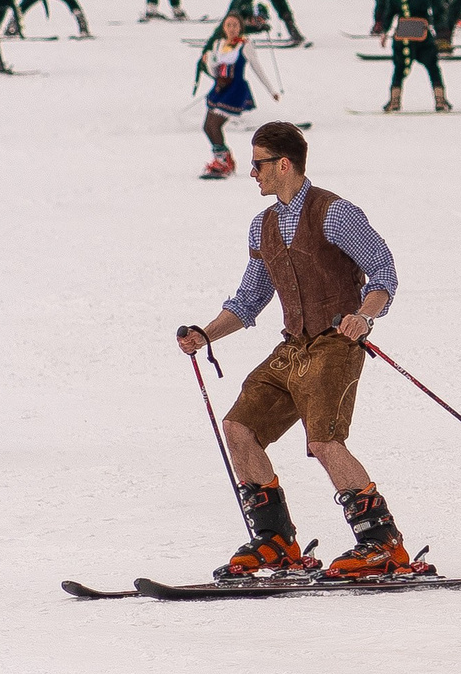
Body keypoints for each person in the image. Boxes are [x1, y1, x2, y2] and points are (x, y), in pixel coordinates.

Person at [174, 121, 416, 581]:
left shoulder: (335, 214)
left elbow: (383, 271)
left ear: (284, 164)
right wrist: (205, 335)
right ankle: (275, 540)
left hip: (336, 343)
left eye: (258, 163)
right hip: (293, 346)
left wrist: (364, 316)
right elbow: (250, 299)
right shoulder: (261, 224)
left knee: (323, 441)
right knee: (239, 427)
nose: (251, 173)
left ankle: (382, 545)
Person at [196, 10, 268, 177]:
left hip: (235, 90)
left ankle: (224, 162)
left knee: (214, 125)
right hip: (220, 88)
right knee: (207, 126)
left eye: (235, 25)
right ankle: (223, 159)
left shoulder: (245, 44)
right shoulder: (219, 44)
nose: (231, 28)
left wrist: (271, 91)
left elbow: (257, 68)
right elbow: (215, 71)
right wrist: (208, 63)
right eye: (228, 25)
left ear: (241, 27)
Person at [384, 0, 452, 113]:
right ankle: (440, 101)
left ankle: (394, 102)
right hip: (422, 31)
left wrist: (384, 31)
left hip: (403, 31)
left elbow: (389, 10)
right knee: (433, 67)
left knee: (399, 68)